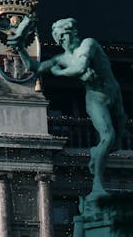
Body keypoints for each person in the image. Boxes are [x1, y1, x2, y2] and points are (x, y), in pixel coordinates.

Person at [10, 17, 126, 198]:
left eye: (66, 35)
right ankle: (98, 184)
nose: (64, 40)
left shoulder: (88, 44)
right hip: (96, 98)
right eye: (60, 38)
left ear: (74, 33)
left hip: (114, 92)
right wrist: (20, 48)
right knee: (108, 135)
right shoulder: (61, 58)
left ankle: (97, 154)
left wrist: (59, 72)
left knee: (117, 140)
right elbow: (35, 67)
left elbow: (80, 67)